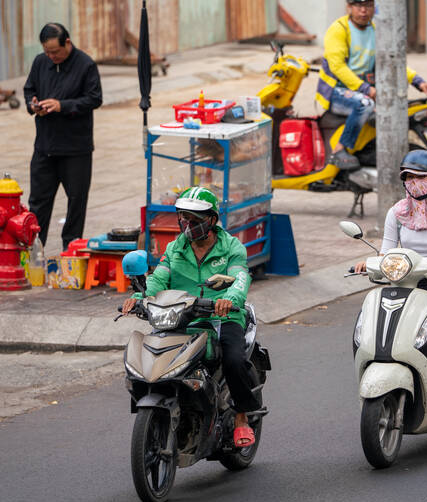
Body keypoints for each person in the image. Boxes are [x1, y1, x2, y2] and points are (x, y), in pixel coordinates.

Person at [122, 187, 260, 447]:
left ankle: (242, 417)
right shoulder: (175, 248)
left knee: (233, 358)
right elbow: (158, 279)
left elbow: (240, 278)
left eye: (195, 220)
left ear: (212, 220)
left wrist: (229, 300)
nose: (189, 224)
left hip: (222, 317)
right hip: (181, 316)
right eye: (184, 218)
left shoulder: (232, 247)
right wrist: (140, 298)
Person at [354, 150, 427, 408]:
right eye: (408, 177)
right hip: (405, 281)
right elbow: (385, 252)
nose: (414, 183)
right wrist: (369, 263)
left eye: (421, 177)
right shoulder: (396, 213)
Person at [315, 0, 427, 170]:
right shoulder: (339, 29)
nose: (363, 11)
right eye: (358, 6)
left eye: (368, 6)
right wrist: (365, 89)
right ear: (349, 7)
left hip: (365, 89)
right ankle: (339, 150)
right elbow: (337, 67)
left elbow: (391, 59)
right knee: (364, 104)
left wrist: (417, 80)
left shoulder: (375, 30)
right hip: (337, 91)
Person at [23, 23, 102, 250]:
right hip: (44, 147)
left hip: (76, 149)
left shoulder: (85, 65)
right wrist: (33, 104)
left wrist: (62, 106)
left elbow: (94, 99)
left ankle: (71, 251)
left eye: (55, 52)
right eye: (47, 52)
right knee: (38, 203)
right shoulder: (41, 62)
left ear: (67, 42)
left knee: (76, 202)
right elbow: (29, 89)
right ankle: (34, 250)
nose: (51, 56)